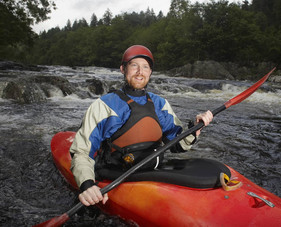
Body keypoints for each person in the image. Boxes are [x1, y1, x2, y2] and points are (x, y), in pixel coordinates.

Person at [70, 45, 213, 206]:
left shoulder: (160, 104)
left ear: (150, 72)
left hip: (152, 172)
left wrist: (195, 129)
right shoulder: (105, 105)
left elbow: (178, 145)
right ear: (123, 69)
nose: (140, 72)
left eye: (145, 67)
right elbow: (82, 152)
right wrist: (87, 184)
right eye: (134, 66)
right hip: (116, 174)